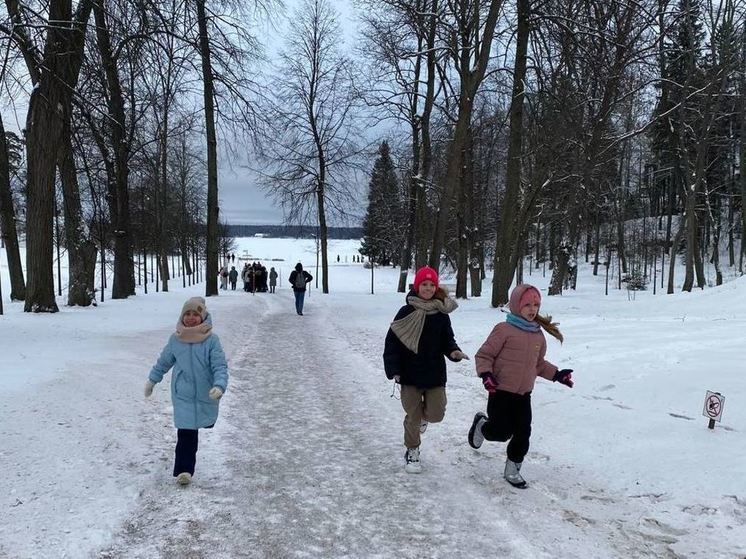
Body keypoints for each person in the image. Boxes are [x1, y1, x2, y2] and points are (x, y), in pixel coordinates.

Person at [467, 283, 573, 489]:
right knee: (500, 432)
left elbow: (539, 365)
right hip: (500, 392)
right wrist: (486, 374)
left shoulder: (538, 336)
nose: (532, 309)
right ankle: (482, 425)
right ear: (516, 305)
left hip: (524, 395)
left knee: (523, 433)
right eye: (527, 305)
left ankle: (513, 468)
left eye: (536, 305)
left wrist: (558, 375)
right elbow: (484, 355)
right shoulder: (503, 330)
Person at [383, 266, 469, 474]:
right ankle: (412, 450)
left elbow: (448, 340)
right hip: (409, 373)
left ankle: (423, 420)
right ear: (416, 286)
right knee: (412, 414)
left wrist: (454, 352)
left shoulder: (441, 314)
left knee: (437, 413)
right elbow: (392, 343)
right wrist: (394, 369)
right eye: (424, 284)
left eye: (432, 285)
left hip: (434, 373)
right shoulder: (406, 312)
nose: (428, 288)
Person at [144, 297, 229, 485]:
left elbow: (220, 366)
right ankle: (184, 470)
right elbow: (164, 362)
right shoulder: (176, 339)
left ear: (203, 317)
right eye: (187, 314)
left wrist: (219, 385)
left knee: (202, 423)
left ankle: (200, 432)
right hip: (182, 394)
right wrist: (152, 380)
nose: (191, 318)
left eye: (195, 314)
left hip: (206, 392)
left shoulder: (211, 341)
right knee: (187, 433)